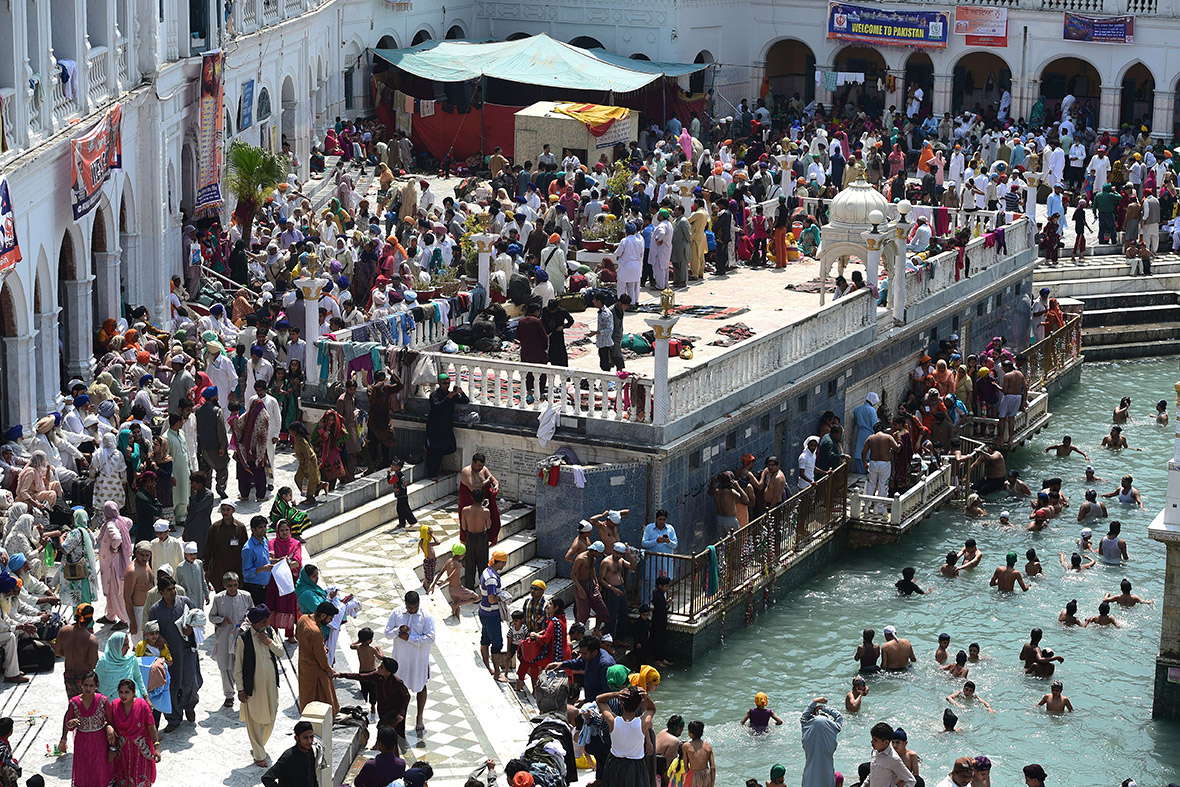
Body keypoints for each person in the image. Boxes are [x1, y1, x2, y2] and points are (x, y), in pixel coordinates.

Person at [235, 604, 285, 767]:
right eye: (263, 621)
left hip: (271, 685)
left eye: (267, 620)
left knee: (271, 715)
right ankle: (259, 754)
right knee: (255, 719)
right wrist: (241, 689)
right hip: (253, 687)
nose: (266, 623)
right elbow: (238, 667)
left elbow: (280, 652)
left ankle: (259, 746)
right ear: (255, 622)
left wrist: (269, 642)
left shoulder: (271, 632)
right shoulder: (244, 639)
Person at [149, 574, 199, 732]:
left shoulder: (186, 603)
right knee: (171, 687)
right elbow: (151, 631)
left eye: (174, 588)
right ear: (161, 592)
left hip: (187, 652)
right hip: (169, 656)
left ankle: (189, 707)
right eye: (169, 590)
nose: (173, 592)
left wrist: (192, 629)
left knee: (189, 683)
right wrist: (159, 637)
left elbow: (199, 623)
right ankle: (174, 718)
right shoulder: (155, 610)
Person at [384, 590, 435, 735]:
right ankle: (400, 718)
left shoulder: (426, 616)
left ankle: (419, 717)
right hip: (401, 658)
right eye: (409, 608)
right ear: (405, 604)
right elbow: (387, 633)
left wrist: (410, 638)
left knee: (421, 686)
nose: (412, 610)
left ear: (418, 604)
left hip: (419, 659)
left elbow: (430, 638)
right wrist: (398, 631)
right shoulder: (397, 613)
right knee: (399, 688)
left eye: (415, 608)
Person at [58, 671, 115, 787]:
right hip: (82, 742)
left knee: (100, 768)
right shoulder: (74, 702)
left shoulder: (103, 701)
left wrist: (112, 745)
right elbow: (68, 724)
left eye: (91, 685)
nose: (88, 688)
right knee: (84, 768)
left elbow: (111, 721)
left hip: (100, 742)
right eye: (85, 685)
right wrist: (71, 723)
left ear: (96, 685)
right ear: (81, 685)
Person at [596, 685, 656, 786]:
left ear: (621, 702)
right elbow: (651, 709)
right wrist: (646, 697)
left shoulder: (613, 721)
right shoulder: (642, 723)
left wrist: (615, 694)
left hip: (615, 764)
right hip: (636, 766)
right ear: (639, 705)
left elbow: (599, 700)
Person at [209, 571, 252, 709]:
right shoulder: (218, 598)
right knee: (225, 666)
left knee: (242, 664)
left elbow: (251, 614)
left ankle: (244, 691)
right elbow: (212, 617)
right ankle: (229, 695)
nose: (233, 588)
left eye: (235, 585)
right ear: (224, 585)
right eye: (230, 586)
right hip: (224, 637)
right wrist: (222, 620)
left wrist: (244, 627)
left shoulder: (246, 596)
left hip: (241, 637)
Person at [107, 678, 161, 785]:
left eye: (127, 692)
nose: (123, 695)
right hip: (122, 751)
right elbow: (108, 722)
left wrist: (156, 747)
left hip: (140, 749)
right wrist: (108, 727)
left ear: (133, 693)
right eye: (121, 692)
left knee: (140, 779)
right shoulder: (114, 705)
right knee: (124, 779)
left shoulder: (142, 705)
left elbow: (151, 726)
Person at [296, 601, 340, 713]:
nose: (330, 621)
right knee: (323, 697)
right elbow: (320, 656)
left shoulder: (303, 618)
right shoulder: (315, 631)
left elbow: (297, 636)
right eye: (330, 618)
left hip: (303, 664)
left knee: (307, 694)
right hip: (316, 669)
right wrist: (328, 669)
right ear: (323, 615)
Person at [424, 375, 469, 480]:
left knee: (447, 447)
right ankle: (432, 474)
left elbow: (465, 401)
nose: (447, 385)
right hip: (435, 425)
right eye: (445, 383)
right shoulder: (434, 395)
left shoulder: (451, 395)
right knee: (433, 450)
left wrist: (460, 392)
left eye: (448, 383)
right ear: (439, 383)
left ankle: (438, 469)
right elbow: (437, 406)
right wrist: (448, 398)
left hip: (446, 425)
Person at [54, 603, 99, 699]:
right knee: (86, 704)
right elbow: (93, 664)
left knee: (73, 703)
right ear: (90, 620)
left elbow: (57, 651)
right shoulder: (91, 640)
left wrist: (69, 655)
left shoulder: (63, 631)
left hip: (69, 674)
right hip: (85, 678)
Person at [800, 697, 842, 787]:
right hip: (827, 775)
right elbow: (839, 716)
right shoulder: (833, 729)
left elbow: (804, 717)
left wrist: (814, 702)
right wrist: (824, 708)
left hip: (810, 776)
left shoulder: (807, 728)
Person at [261, 721, 319, 787]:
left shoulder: (310, 751)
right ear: (296, 738)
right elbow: (267, 778)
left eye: (311, 737)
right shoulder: (288, 757)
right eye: (305, 738)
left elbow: (313, 776)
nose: (309, 741)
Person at [95, 631, 147, 701]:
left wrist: (146, 696)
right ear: (115, 646)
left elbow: (137, 677)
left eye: (128, 644)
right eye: (124, 645)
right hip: (111, 704)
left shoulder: (131, 658)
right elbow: (97, 684)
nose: (128, 647)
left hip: (132, 702)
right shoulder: (103, 662)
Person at [868, 721, 915, 787]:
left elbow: (911, 781)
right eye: (872, 739)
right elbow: (873, 774)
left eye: (875, 740)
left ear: (886, 742)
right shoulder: (874, 751)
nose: (872, 742)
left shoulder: (893, 759)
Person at [241, 515, 275, 606]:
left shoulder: (264, 541)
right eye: (260, 527)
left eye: (264, 526)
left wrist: (278, 560)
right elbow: (246, 572)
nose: (263, 529)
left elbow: (265, 560)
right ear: (253, 529)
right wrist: (262, 569)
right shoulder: (248, 549)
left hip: (266, 587)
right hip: (254, 589)